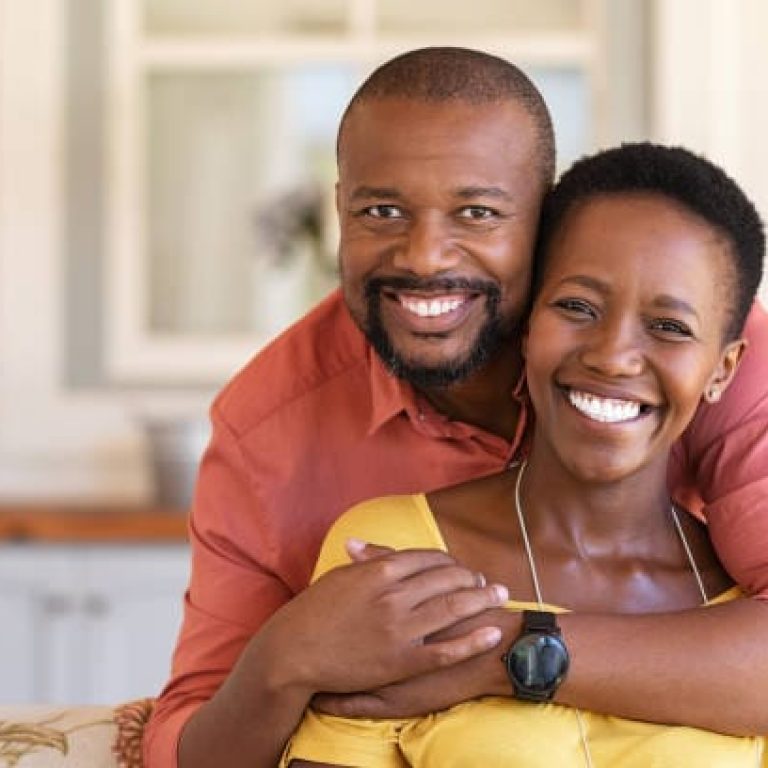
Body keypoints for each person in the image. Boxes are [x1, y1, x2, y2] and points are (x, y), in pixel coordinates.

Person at [144, 48, 768, 768]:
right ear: (338, 208)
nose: (426, 256)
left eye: (477, 212)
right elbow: (191, 744)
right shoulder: (269, 434)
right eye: (381, 210)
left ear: (543, 223)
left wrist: (505, 650)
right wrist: (287, 658)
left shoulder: (693, 350)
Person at [281, 142, 767, 767]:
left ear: (722, 370)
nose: (613, 355)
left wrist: (503, 655)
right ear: (528, 323)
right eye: (576, 307)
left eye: (669, 327)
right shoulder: (399, 557)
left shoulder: (741, 616)